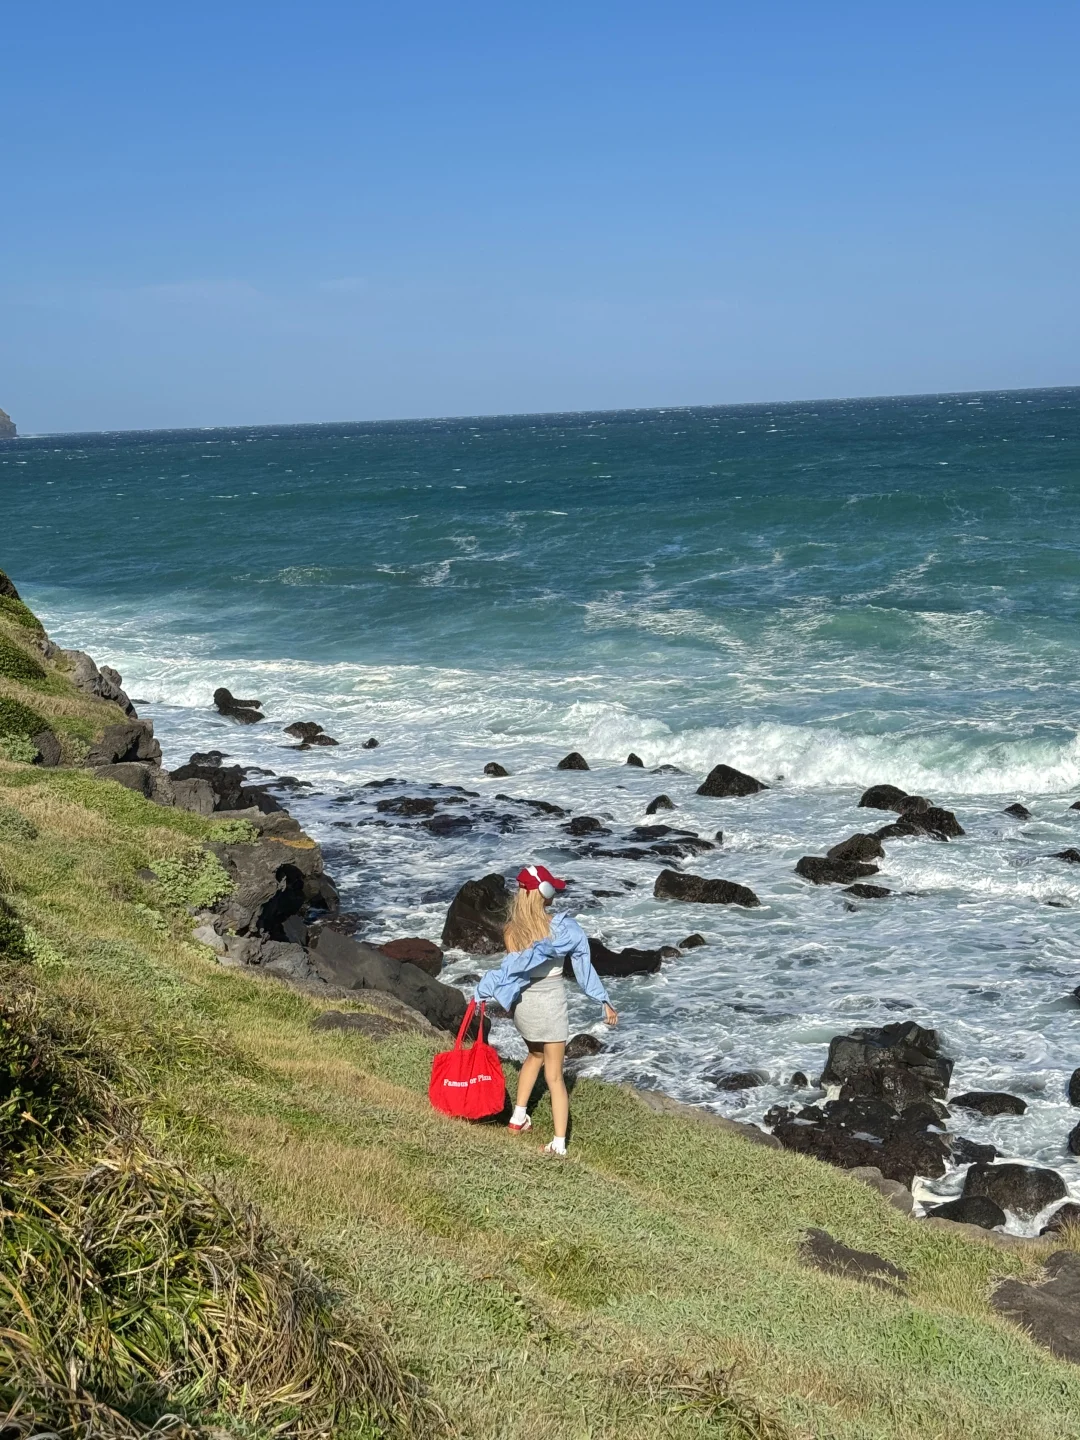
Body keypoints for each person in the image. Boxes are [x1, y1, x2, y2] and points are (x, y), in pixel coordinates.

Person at [474, 864, 618, 1156]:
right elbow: (582, 966)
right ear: (546, 893)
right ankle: (559, 1144)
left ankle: (517, 1118)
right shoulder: (563, 929)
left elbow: (514, 971)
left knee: (533, 1055)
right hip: (550, 1006)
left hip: (524, 1006)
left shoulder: (511, 931)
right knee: (555, 1076)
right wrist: (603, 999)